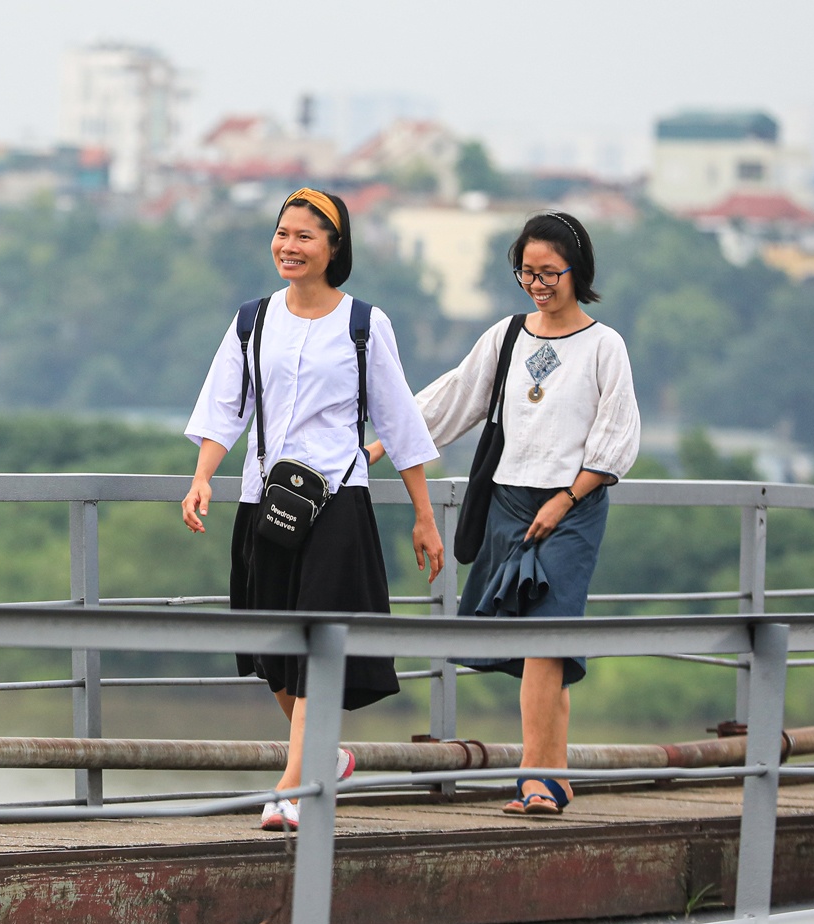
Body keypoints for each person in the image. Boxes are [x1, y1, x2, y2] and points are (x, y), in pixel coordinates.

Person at [181, 188, 444, 832]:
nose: (289, 246)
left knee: (315, 645)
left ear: (334, 249)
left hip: (338, 498)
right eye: (283, 233)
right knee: (272, 650)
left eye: (305, 236)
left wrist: (423, 513)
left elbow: (398, 420)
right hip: (264, 498)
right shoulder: (252, 320)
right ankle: (325, 756)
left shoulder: (363, 324)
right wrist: (201, 479)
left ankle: (290, 788)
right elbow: (225, 407)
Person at [372, 211, 639, 815]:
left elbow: (618, 437)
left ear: (579, 272)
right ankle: (559, 776)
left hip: (572, 508)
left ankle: (534, 780)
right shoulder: (508, 336)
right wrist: (382, 441)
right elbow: (454, 396)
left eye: (550, 272)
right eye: (527, 272)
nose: (538, 284)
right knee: (536, 644)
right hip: (507, 503)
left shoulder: (604, 345)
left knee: (545, 640)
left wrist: (567, 498)